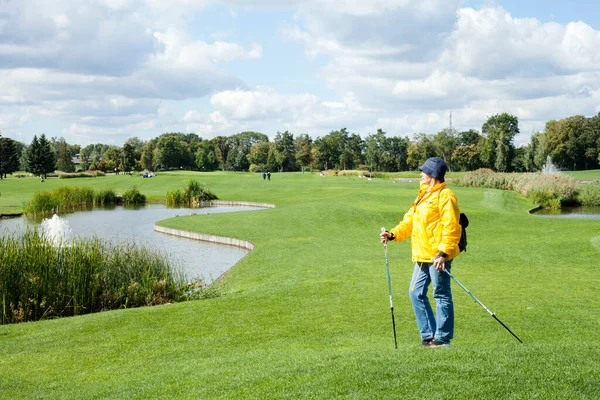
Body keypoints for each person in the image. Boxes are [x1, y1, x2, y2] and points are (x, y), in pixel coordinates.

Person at [380, 157, 461, 348]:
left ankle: (442, 338)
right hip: (422, 255)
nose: (420, 174)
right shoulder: (422, 195)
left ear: (432, 175)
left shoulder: (446, 196)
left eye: (423, 171)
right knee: (415, 292)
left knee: (441, 294)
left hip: (437, 256)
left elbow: (452, 227)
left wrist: (443, 253)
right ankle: (428, 336)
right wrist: (393, 235)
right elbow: (409, 221)